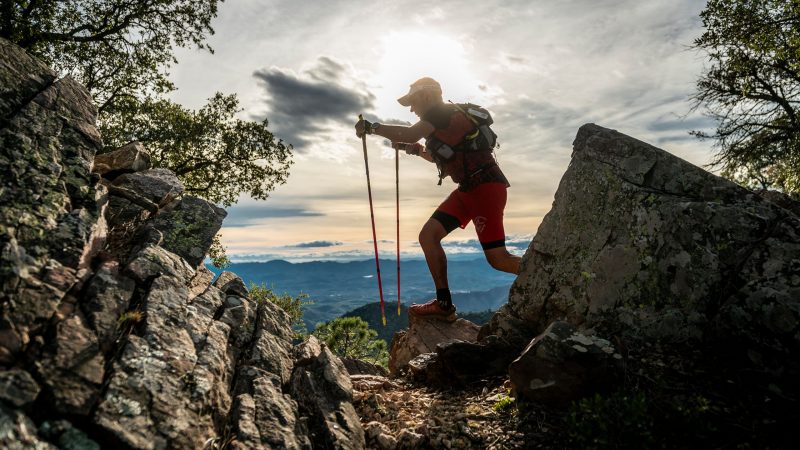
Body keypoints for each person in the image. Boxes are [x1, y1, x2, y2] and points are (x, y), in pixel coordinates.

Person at [355, 77, 521, 321]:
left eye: (412, 102)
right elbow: (440, 156)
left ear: (426, 96)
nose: (412, 109)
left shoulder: (441, 113)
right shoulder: (445, 121)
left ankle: (552, 273)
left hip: (485, 189)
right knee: (428, 236)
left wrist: (373, 128)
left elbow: (410, 134)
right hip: (469, 189)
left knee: (498, 259)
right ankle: (444, 304)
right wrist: (413, 151)